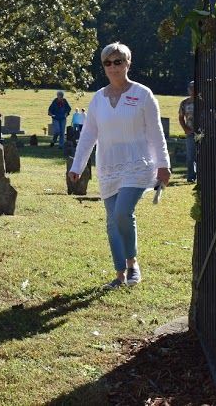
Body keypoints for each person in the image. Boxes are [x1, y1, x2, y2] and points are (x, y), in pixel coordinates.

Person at [67, 42, 170, 289]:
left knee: (123, 213)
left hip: (137, 164)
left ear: (128, 63)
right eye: (108, 63)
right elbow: (89, 134)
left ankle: (133, 264)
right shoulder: (97, 99)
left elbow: (156, 132)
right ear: (103, 66)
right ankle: (120, 274)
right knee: (112, 220)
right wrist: (77, 166)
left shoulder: (143, 94)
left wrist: (163, 165)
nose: (113, 67)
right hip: (108, 166)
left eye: (118, 61)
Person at [178, 81, 197, 183]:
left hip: (203, 133)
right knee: (190, 156)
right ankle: (191, 177)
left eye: (194, 88)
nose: (192, 90)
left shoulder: (204, 102)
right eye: (191, 88)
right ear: (188, 90)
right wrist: (186, 129)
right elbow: (181, 118)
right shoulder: (184, 103)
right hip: (190, 133)